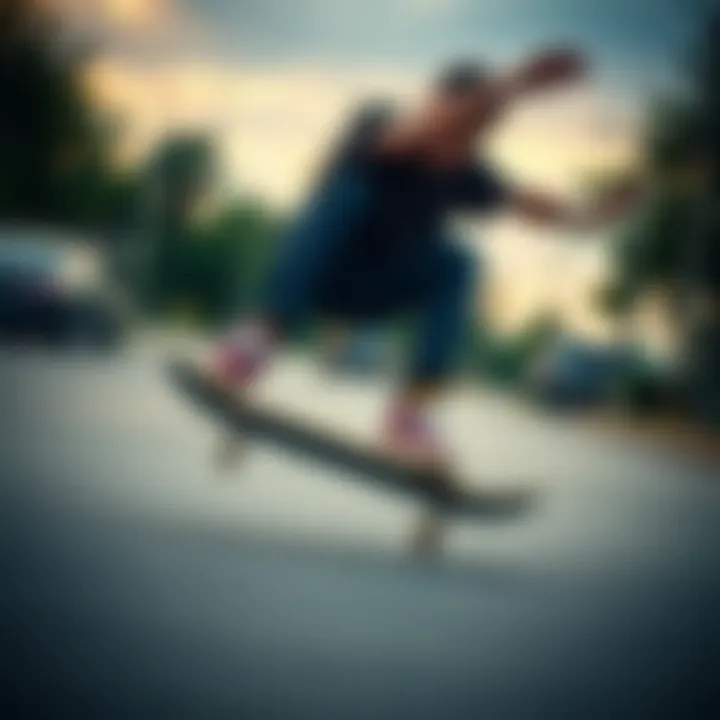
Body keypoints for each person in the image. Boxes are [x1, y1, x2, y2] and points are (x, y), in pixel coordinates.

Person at [205, 47, 639, 471]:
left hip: (374, 292)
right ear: (434, 109)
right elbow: (416, 135)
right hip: (314, 273)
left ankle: (413, 413)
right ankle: (254, 344)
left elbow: (529, 203)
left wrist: (593, 216)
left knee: (459, 261)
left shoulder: (464, 169)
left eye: (470, 141)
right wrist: (515, 84)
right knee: (350, 191)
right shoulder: (379, 123)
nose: (454, 150)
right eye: (452, 133)